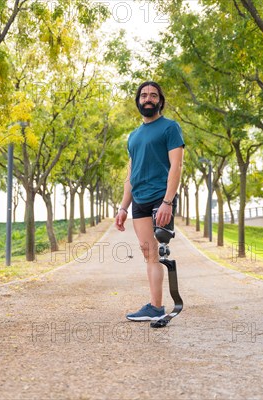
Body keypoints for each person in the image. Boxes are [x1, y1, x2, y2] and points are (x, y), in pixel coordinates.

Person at [115, 81, 185, 321]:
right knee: (149, 253)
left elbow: (176, 165)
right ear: (138, 100)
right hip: (140, 200)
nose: (148, 98)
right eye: (144, 95)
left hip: (160, 196)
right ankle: (155, 308)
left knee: (162, 245)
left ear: (160, 101)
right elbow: (131, 175)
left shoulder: (170, 128)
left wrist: (168, 201)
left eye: (153, 95)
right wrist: (123, 207)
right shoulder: (133, 137)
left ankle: (164, 302)